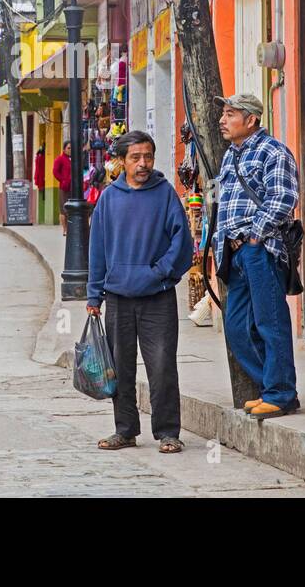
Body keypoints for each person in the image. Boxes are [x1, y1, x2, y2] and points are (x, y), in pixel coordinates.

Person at [87, 130, 192, 454]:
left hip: (157, 297)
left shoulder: (165, 195)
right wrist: (94, 296)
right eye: (136, 157)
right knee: (120, 367)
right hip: (118, 297)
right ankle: (126, 429)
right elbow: (98, 249)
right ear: (121, 161)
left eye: (148, 156)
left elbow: (182, 242)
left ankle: (168, 432)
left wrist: (161, 272)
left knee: (162, 366)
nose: (143, 163)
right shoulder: (109, 198)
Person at [213, 92, 302, 422]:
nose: (223, 120)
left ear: (251, 120)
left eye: (231, 114)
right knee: (236, 326)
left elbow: (283, 197)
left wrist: (254, 236)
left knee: (270, 322)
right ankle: (271, 386)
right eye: (224, 114)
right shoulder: (230, 155)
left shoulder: (273, 151)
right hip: (234, 252)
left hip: (260, 250)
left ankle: (281, 393)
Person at [53, 141, 73, 236]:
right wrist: (63, 180)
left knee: (71, 209)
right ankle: (65, 229)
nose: (70, 150)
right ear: (64, 149)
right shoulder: (60, 159)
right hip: (64, 188)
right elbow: (55, 172)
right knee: (63, 209)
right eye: (68, 148)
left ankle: (71, 228)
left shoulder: (73, 159)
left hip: (73, 188)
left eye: (71, 148)